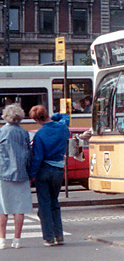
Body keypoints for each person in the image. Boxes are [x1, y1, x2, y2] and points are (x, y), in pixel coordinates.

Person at [28, 105, 71, 247]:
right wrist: (54, 116)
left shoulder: (40, 134)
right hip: (58, 170)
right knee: (54, 203)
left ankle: (49, 237)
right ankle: (59, 235)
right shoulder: (62, 127)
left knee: (44, 204)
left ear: (35, 119)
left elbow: (37, 157)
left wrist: (31, 175)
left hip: (44, 170)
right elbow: (65, 116)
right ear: (46, 114)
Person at [0, 104, 32, 250]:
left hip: (3, 173)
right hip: (21, 174)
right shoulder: (24, 133)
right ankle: (17, 240)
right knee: (19, 209)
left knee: (3, 209)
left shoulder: (2, 132)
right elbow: (29, 153)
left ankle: (2, 240)